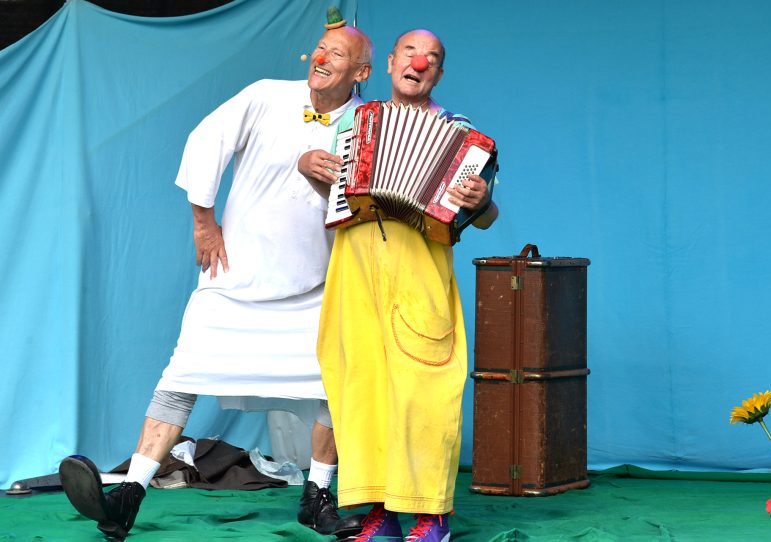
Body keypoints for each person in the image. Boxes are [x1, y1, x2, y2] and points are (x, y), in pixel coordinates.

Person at [58, 14, 372, 540]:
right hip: (235, 276)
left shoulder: (369, 125)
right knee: (180, 380)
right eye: (319, 49)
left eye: (336, 55)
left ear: (360, 72)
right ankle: (129, 495)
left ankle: (317, 496)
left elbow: (365, 205)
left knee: (333, 389)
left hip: (315, 285)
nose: (321, 58)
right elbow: (207, 140)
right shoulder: (266, 95)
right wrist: (204, 222)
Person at [298, 29, 499, 542]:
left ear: (438, 74)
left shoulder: (461, 133)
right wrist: (309, 168)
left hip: (419, 265)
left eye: (431, 58)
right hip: (356, 264)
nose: (419, 63)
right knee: (360, 387)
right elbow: (337, 188)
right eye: (410, 53)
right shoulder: (352, 120)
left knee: (425, 389)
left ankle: (433, 518)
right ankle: (379, 514)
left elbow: (488, 217)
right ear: (389, 64)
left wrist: (478, 202)